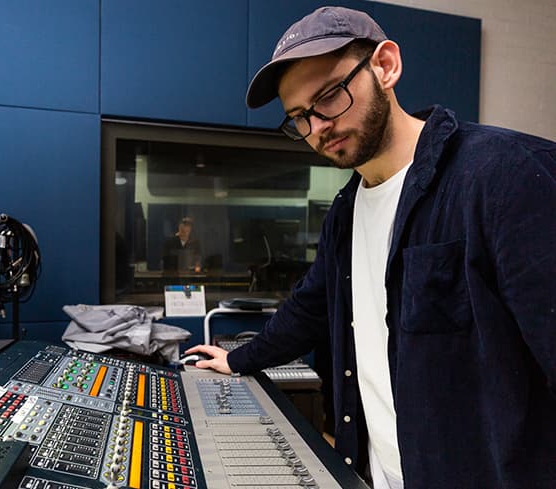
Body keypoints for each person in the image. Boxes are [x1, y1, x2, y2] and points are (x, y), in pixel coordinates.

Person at [184, 6, 555, 489]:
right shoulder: (347, 208)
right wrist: (237, 360)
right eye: (299, 118)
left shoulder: (505, 175)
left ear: (385, 66)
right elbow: (310, 307)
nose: (317, 128)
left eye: (330, 97)